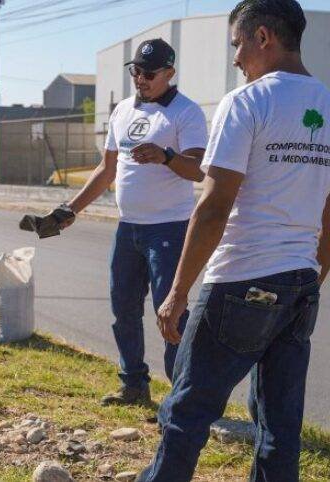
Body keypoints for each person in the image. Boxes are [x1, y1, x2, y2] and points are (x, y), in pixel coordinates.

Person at [138, 1, 330, 481]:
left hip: (241, 280)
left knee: (186, 412)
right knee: (279, 426)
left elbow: (213, 205)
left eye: (238, 45)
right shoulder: (327, 105)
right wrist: (310, 280)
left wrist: (177, 292)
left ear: (263, 37)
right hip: (300, 283)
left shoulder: (246, 102)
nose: (236, 59)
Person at [60, 38, 208, 406]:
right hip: (128, 228)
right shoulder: (124, 110)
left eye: (149, 73)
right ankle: (133, 385)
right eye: (135, 71)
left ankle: (182, 397)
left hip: (169, 230)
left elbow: (199, 170)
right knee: (123, 308)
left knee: (171, 314)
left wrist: (166, 156)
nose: (140, 79)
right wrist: (70, 209)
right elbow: (106, 168)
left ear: (169, 73)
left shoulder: (186, 113)